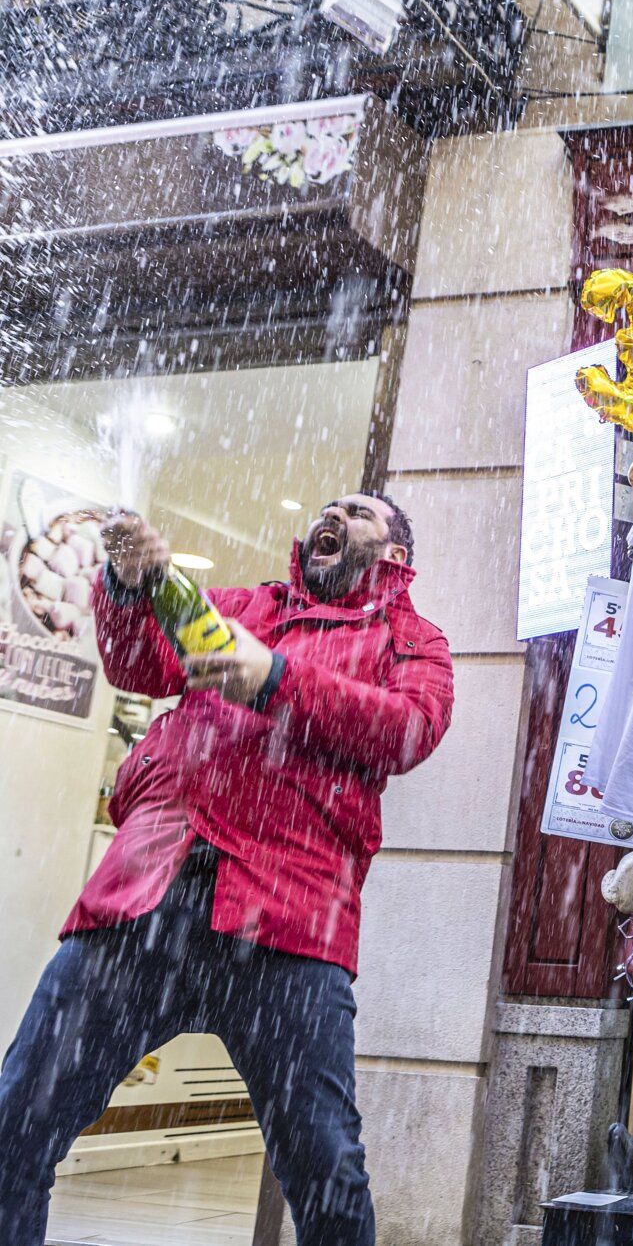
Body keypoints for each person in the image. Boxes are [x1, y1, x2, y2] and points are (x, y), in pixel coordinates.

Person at [0, 493, 454, 1246]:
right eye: (328, 506)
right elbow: (141, 663)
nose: (331, 513)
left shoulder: (413, 640)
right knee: (17, 1126)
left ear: (395, 553)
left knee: (326, 1172)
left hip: (288, 920)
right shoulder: (248, 603)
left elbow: (408, 731)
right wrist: (131, 584)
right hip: (147, 893)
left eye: (358, 511)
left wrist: (274, 679)